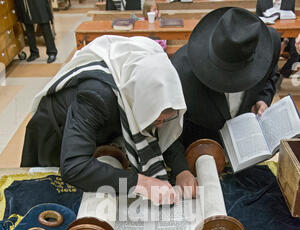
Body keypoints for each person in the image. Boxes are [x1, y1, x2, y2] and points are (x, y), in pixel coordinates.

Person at [21, 35, 197, 205]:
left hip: (101, 129)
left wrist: (181, 169)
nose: (159, 126)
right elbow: (73, 166)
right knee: (51, 200)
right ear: (138, 104)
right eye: (155, 120)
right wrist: (141, 183)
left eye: (165, 120)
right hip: (56, 136)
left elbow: (164, 130)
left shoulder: (154, 81)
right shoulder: (96, 97)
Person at [171, 7, 281, 147]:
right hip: (203, 143)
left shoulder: (270, 44)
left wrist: (263, 98)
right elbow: (174, 130)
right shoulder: (181, 71)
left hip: (246, 138)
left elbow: (271, 73)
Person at [256, 0, 299, 88]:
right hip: (268, 35)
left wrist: (284, 43)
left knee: (297, 53)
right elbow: (258, 20)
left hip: (286, 36)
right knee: (264, 50)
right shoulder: (262, 1)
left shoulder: (290, 1)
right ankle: (264, 80)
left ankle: (281, 75)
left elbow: (291, 20)